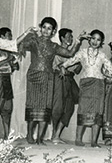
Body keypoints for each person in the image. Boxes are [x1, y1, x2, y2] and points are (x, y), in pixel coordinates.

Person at [19, 17, 87, 145]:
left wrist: (79, 39)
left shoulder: (54, 46)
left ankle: (40, 138)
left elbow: (70, 53)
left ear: (53, 31)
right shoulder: (34, 41)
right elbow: (21, 44)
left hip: (48, 77)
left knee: (45, 108)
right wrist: (27, 33)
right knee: (32, 106)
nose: (46, 30)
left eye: (49, 28)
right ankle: (29, 135)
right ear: (41, 28)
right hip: (33, 75)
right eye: (44, 27)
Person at [61, 29, 112, 148]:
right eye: (93, 38)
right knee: (83, 110)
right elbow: (71, 60)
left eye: (98, 40)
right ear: (89, 39)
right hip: (86, 84)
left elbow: (110, 69)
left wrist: (108, 74)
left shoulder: (103, 55)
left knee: (97, 113)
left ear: (101, 42)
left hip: (99, 85)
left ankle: (94, 141)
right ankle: (78, 139)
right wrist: (63, 66)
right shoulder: (82, 52)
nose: (95, 41)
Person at [0, 27, 20, 139]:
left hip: (6, 79)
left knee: (7, 108)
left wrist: (13, 64)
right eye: (8, 35)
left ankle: (6, 135)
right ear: (2, 37)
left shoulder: (9, 51)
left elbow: (14, 66)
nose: (10, 38)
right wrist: (7, 60)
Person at [51, 28, 82, 144]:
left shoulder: (72, 53)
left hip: (70, 80)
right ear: (62, 38)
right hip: (59, 79)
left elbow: (77, 70)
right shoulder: (57, 50)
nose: (70, 38)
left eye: (71, 36)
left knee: (69, 108)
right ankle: (54, 134)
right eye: (68, 36)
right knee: (57, 107)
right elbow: (55, 66)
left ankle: (56, 134)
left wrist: (79, 61)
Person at [103, 42, 112, 146]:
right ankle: (109, 137)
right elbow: (106, 78)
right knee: (109, 112)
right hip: (110, 91)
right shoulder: (108, 63)